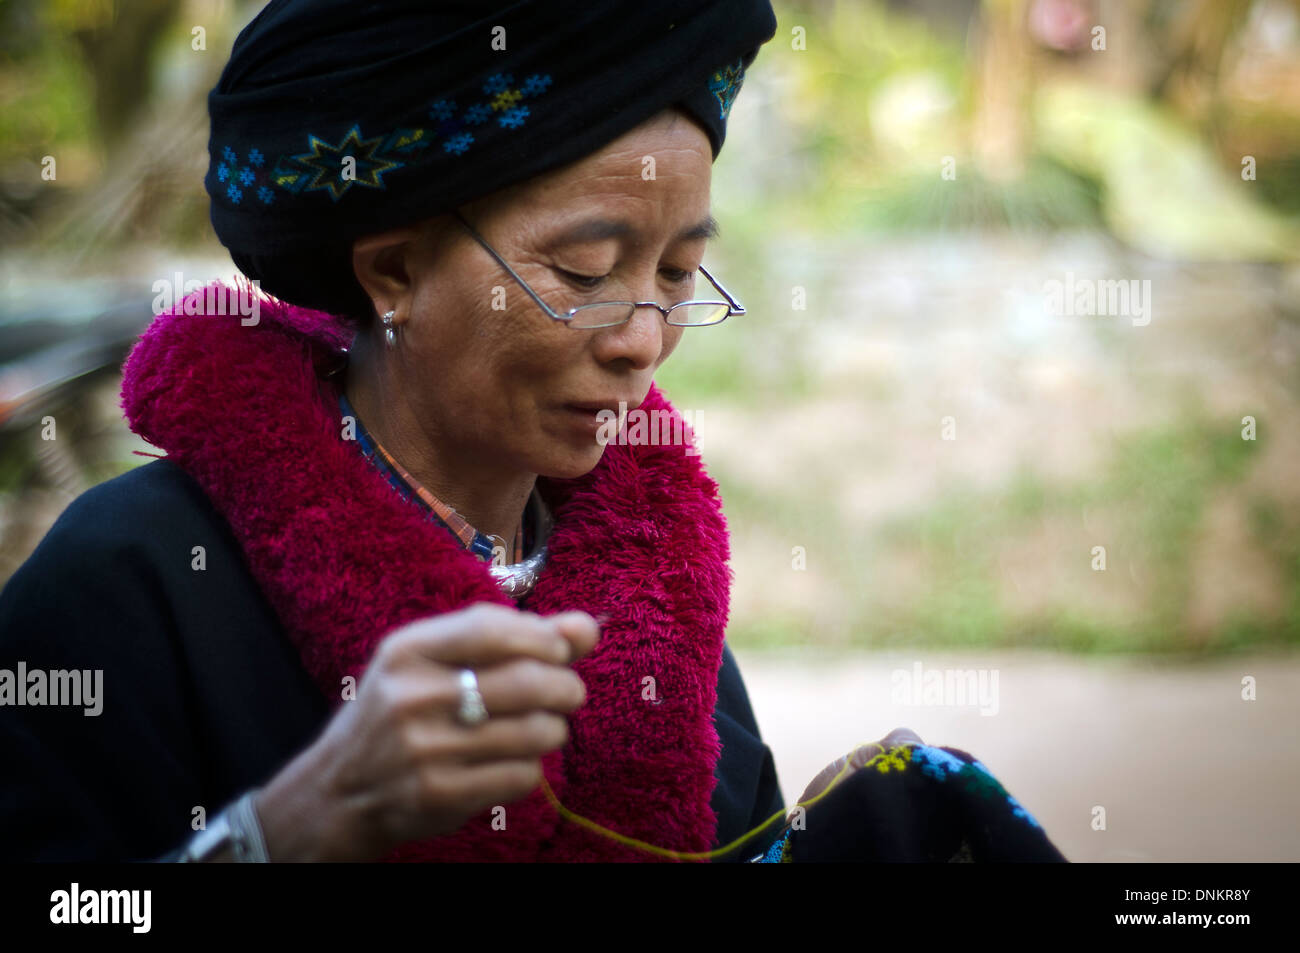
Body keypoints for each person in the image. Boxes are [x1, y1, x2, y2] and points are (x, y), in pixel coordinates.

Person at [0, 0, 1066, 863]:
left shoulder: (656, 611)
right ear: (396, 272)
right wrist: (284, 833)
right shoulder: (125, 584)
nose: (643, 336)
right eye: (586, 273)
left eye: (680, 274)